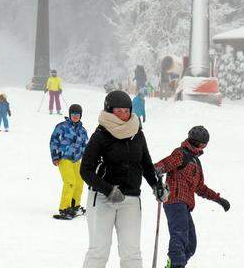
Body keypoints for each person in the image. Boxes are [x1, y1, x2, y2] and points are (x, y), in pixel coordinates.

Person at [80, 91, 163, 268]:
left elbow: (146, 164)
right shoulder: (100, 136)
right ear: (109, 110)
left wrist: (156, 185)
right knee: (99, 251)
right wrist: (108, 189)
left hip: (131, 198)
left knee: (131, 252)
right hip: (102, 199)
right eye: (118, 111)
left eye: (126, 111)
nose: (123, 115)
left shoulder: (137, 134)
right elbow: (85, 171)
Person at [154, 126, 231, 268]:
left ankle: (174, 264)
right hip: (175, 201)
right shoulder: (181, 154)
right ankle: (176, 264)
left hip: (185, 206)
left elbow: (200, 187)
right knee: (179, 235)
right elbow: (165, 164)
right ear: (201, 144)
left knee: (190, 244)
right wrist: (157, 171)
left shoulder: (195, 161)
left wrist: (218, 199)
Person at [50, 104, 88, 220]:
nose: (75, 117)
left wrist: (87, 159)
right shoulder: (62, 127)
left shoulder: (82, 130)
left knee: (79, 182)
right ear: (70, 115)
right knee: (70, 181)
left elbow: (86, 145)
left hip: (77, 159)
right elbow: (54, 141)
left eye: (77, 115)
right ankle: (64, 207)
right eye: (73, 114)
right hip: (64, 158)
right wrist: (55, 156)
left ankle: (74, 205)